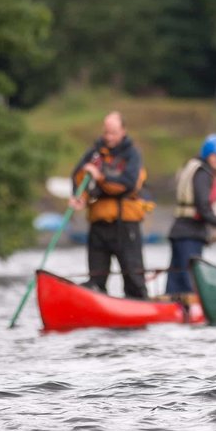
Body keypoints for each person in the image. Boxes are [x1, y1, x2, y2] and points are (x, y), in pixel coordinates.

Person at [69, 113, 152, 298]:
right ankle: (96, 304)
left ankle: (139, 307)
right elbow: (77, 177)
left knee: (133, 278)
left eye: (113, 133)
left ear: (123, 131)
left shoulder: (132, 154)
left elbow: (127, 184)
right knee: (96, 279)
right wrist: (79, 197)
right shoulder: (94, 154)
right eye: (106, 132)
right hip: (99, 225)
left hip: (125, 225)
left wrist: (101, 177)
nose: (109, 137)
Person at [166, 134, 216, 295]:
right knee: (187, 280)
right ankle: (184, 308)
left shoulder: (193, 166)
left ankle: (172, 304)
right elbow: (203, 208)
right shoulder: (203, 173)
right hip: (190, 234)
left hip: (180, 230)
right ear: (207, 153)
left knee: (176, 277)